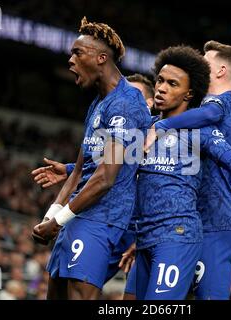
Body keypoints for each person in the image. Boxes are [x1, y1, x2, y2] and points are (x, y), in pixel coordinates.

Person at [132, 45, 231, 300]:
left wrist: (163, 126)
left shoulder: (213, 107)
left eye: (205, 62)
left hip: (212, 220)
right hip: (204, 219)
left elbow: (213, 118)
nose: (200, 66)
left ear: (221, 70)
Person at [32, 17, 151, 300]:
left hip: (100, 220)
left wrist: (58, 222)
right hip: (77, 218)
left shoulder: (127, 103)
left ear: (101, 58)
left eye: (77, 53)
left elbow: (105, 177)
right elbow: (79, 172)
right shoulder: (99, 104)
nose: (71, 60)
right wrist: (50, 217)